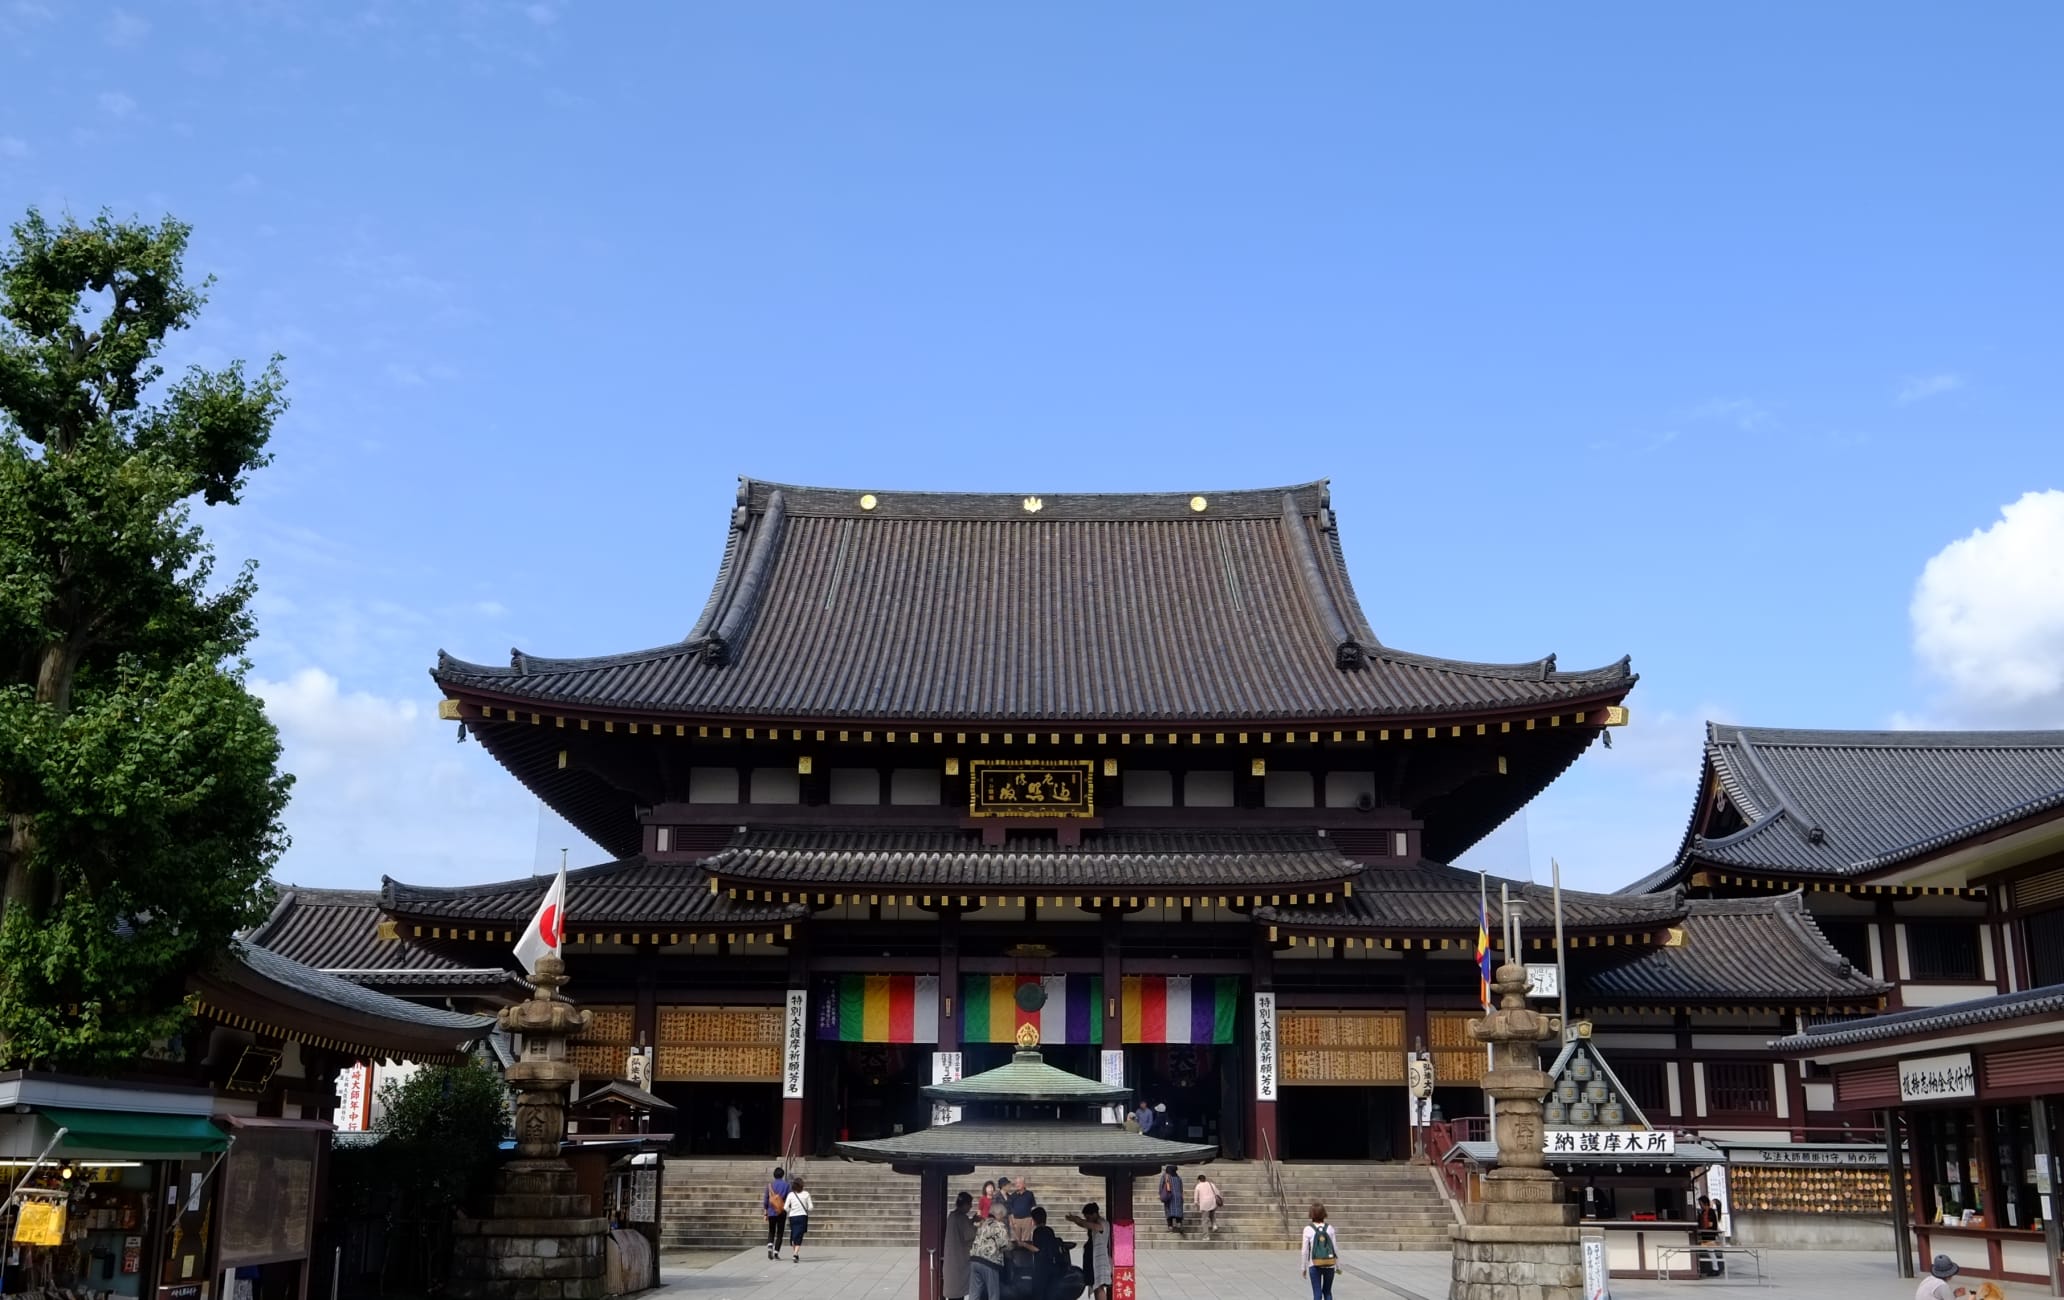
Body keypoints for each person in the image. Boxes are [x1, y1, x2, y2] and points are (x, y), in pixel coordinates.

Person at [1064, 1203, 1112, 1300]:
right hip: (1092, 1259)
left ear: (1094, 1214)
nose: (1087, 1219)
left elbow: (1089, 1225)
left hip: (1099, 1260)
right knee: (1095, 1285)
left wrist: (1077, 1219)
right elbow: (1085, 1224)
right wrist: (1076, 1220)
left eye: (1088, 1217)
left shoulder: (1102, 1224)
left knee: (1099, 1286)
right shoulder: (1095, 1223)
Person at [969, 1201, 1012, 1300]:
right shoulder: (998, 1225)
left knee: (974, 1294)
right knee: (993, 1294)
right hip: (989, 1262)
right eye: (1003, 1216)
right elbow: (1005, 1245)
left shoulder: (983, 1223)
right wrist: (1014, 1245)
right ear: (999, 1214)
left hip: (974, 1260)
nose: (1003, 1219)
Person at [943, 1191, 977, 1300]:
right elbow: (970, 1235)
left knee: (954, 1291)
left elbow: (962, 1229)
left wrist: (971, 1221)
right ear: (966, 1204)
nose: (971, 1207)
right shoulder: (962, 1218)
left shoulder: (952, 1216)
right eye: (970, 1204)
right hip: (958, 1260)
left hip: (951, 1258)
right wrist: (979, 1226)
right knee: (957, 1293)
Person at [1301, 1202, 1339, 1300]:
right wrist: (1337, 1265)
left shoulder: (1308, 1229)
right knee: (1327, 1292)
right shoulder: (1330, 1228)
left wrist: (1303, 1267)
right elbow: (1335, 1248)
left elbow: (1304, 1250)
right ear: (1324, 1213)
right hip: (1329, 1263)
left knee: (1317, 1293)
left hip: (1314, 1264)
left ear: (1311, 1214)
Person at [763, 1166, 791, 1260]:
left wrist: (765, 1211)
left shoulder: (770, 1185)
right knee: (780, 1232)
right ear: (782, 1175)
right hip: (781, 1211)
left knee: (771, 1231)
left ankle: (770, 1246)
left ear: (774, 1175)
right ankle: (776, 1252)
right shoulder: (786, 1185)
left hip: (771, 1211)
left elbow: (766, 1199)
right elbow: (788, 1198)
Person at [784, 1176, 813, 1263]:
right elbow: (811, 1207)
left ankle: (795, 1253)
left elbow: (785, 1207)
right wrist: (806, 1209)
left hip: (793, 1217)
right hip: (802, 1217)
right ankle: (795, 1253)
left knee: (794, 1235)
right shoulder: (806, 1194)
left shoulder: (791, 1195)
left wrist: (791, 1210)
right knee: (799, 1236)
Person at [1694, 1194, 1720, 1277]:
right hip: (1705, 1234)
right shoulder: (1703, 1212)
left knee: (1711, 1251)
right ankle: (1715, 1268)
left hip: (1710, 1234)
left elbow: (1712, 1224)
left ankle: (1715, 1269)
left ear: (1704, 1203)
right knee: (1710, 1251)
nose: (1700, 1205)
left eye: (1701, 1203)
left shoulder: (1710, 1211)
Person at [1158, 1165, 1184, 1230]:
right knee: (1178, 1211)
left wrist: (1161, 1193)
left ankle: (1170, 1226)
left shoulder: (1165, 1176)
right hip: (1178, 1197)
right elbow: (1181, 1188)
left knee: (1169, 1211)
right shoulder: (1178, 1178)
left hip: (1169, 1196)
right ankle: (1179, 1224)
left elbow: (1161, 1185)